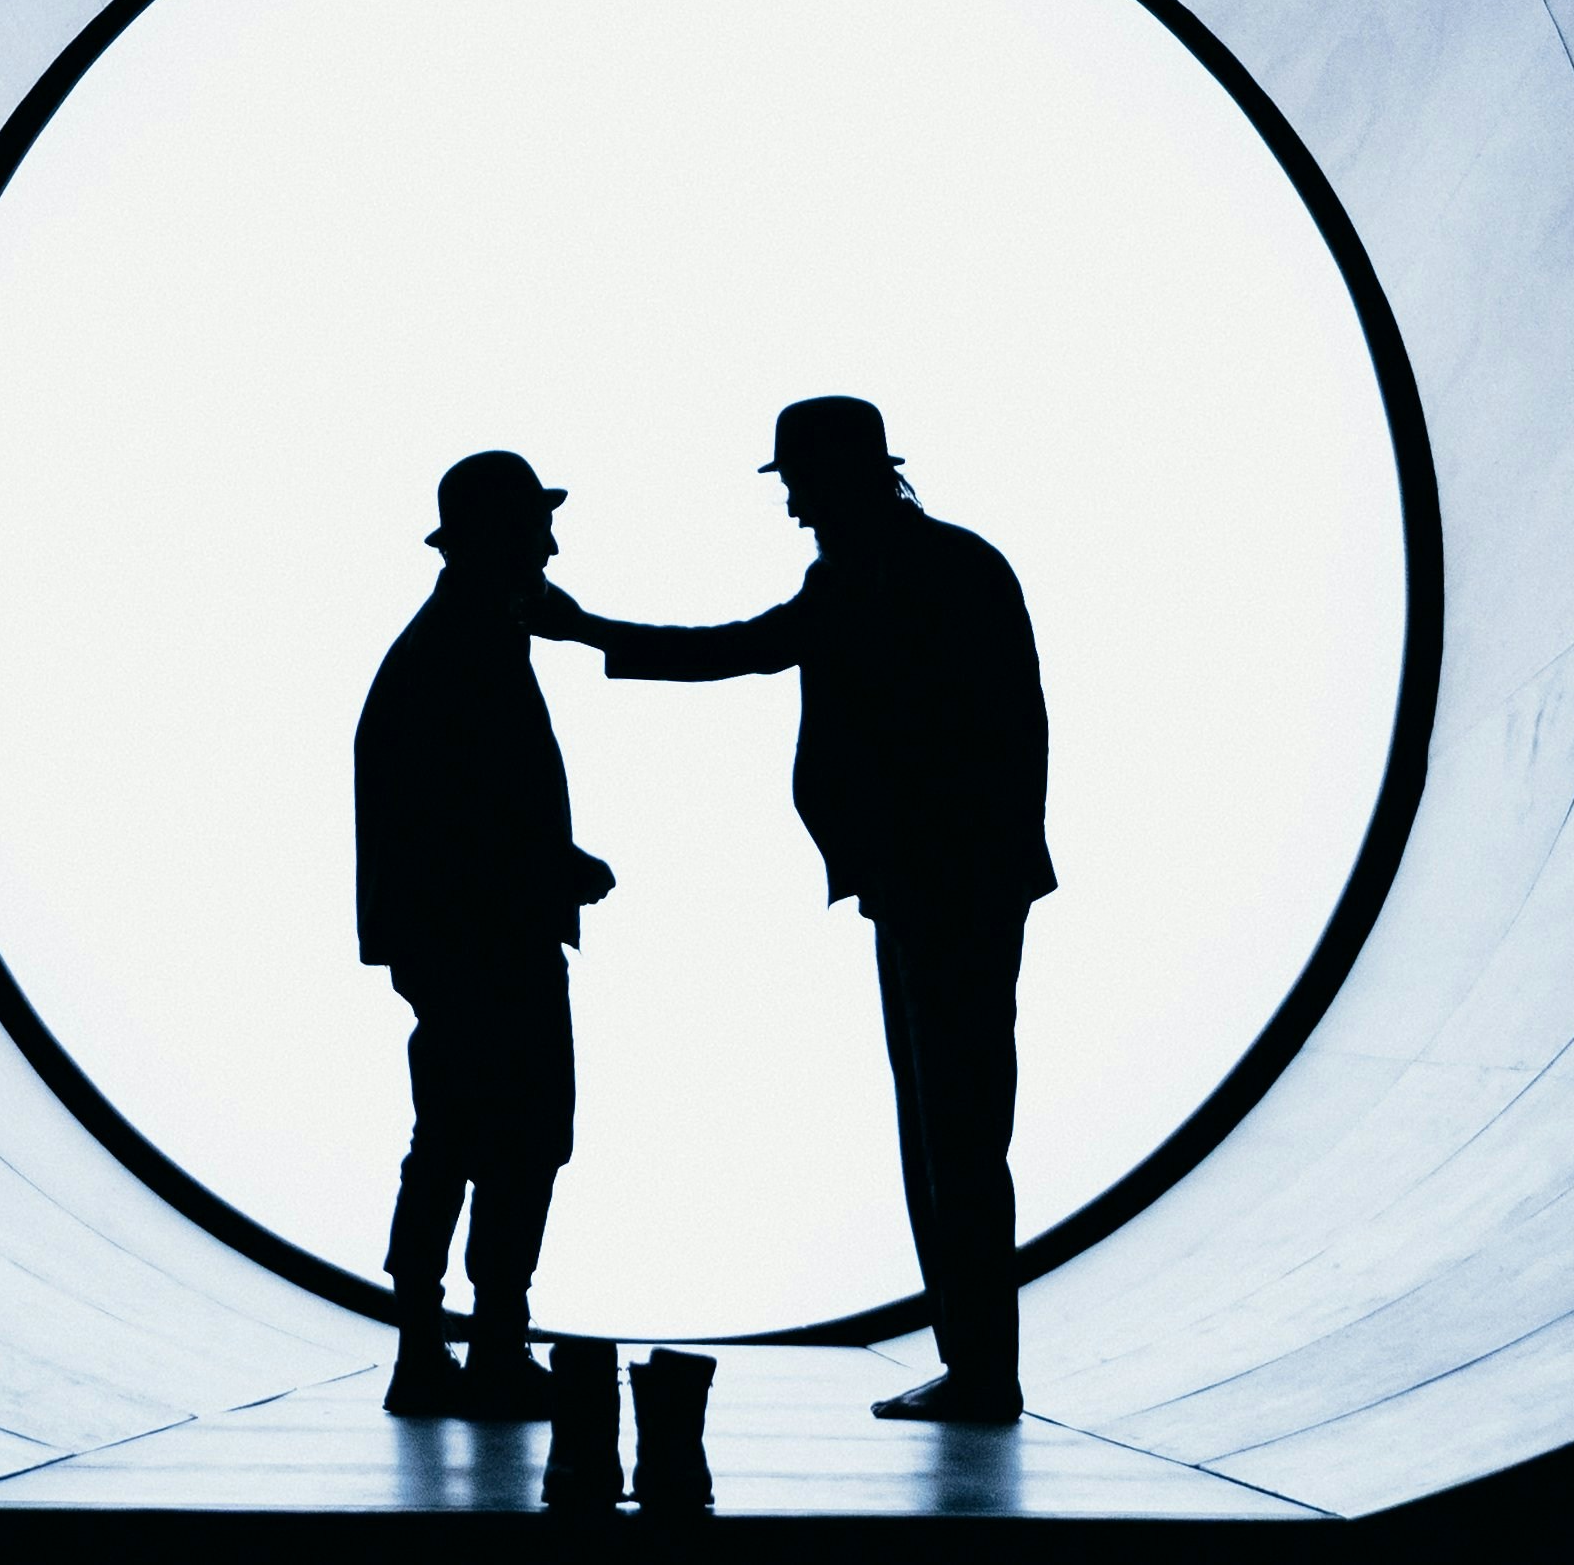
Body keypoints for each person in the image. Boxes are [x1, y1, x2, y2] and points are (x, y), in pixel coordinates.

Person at [543, 394, 1053, 1426]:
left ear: (843, 478)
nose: (793, 511)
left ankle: (982, 1368)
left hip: (930, 886)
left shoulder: (874, 574)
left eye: (799, 486)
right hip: (950, 882)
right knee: (953, 1126)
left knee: (946, 1130)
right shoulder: (949, 561)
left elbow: (747, 645)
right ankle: (977, 1362)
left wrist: (586, 626)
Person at [358, 448, 613, 1421]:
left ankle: (438, 1344)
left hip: (464, 940)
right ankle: (476, 1342)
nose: (550, 541)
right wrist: (555, 867)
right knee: (504, 1138)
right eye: (536, 524)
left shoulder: (454, 640)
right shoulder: (468, 648)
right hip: (487, 945)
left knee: (464, 1138)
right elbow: (468, 816)